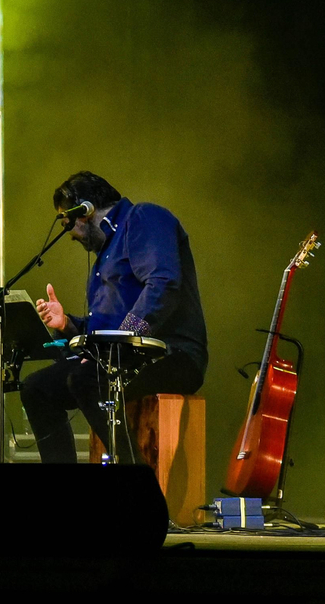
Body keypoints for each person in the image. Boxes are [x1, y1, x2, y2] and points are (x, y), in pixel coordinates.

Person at [23, 171, 207, 463]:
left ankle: (135, 484)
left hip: (174, 355)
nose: (69, 233)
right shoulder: (104, 258)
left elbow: (163, 283)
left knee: (85, 379)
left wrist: (116, 348)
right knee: (37, 388)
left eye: (65, 220)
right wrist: (68, 325)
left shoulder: (143, 217)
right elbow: (104, 331)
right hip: (126, 356)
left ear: (84, 212)